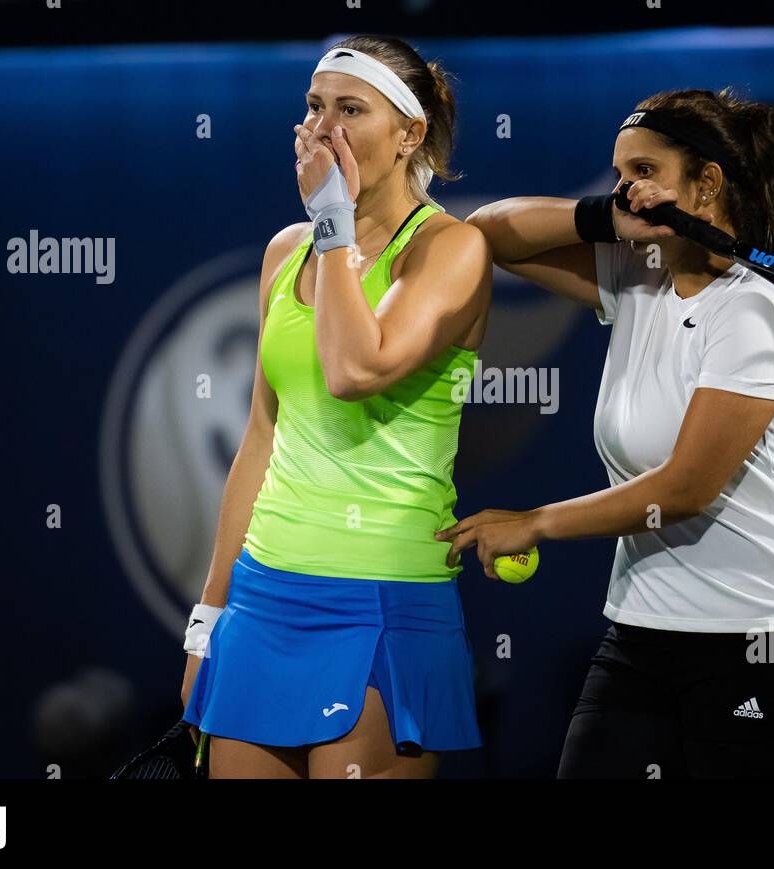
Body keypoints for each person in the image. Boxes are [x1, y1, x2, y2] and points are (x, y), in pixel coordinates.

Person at [450, 87, 774, 778]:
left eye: (644, 171)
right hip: (643, 638)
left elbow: (687, 487)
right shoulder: (639, 280)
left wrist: (537, 522)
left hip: (773, 644)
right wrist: (614, 213)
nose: (625, 187)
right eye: (618, 174)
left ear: (707, 185)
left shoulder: (759, 314)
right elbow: (488, 231)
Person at [179, 34, 492, 779]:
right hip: (263, 598)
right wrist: (208, 618)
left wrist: (332, 222)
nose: (324, 129)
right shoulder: (284, 250)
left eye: (351, 110)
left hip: (386, 601)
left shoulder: (450, 249)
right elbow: (261, 436)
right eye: (315, 108)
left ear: (409, 134)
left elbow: (356, 368)